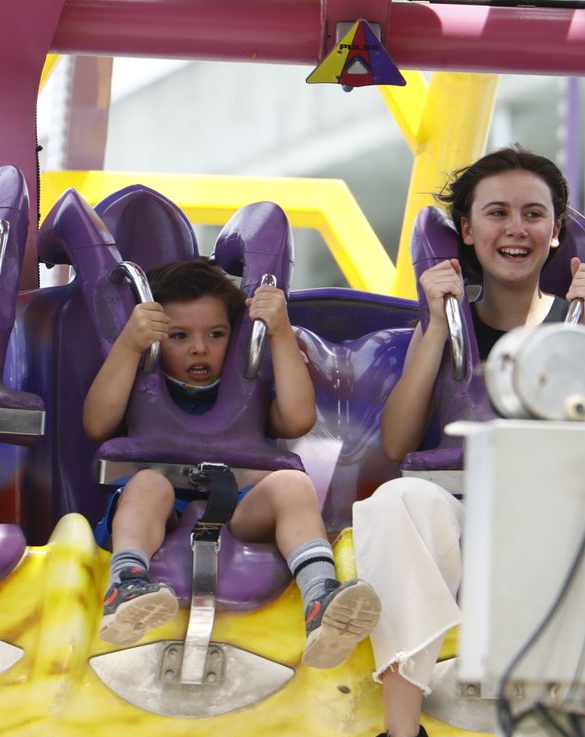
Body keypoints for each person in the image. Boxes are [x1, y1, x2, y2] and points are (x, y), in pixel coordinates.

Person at [353, 148, 585, 737]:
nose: (514, 228)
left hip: (551, 526)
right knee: (395, 503)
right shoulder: (444, 321)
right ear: (467, 231)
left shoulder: (581, 323)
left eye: (533, 214)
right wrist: (436, 325)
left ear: (556, 233)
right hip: (463, 519)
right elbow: (399, 441)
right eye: (497, 213)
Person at [82, 258, 381, 669]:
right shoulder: (141, 379)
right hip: (163, 509)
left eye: (217, 334)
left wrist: (278, 333)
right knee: (148, 485)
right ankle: (126, 585)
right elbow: (97, 424)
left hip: (240, 508)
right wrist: (129, 345)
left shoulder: (247, 389)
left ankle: (320, 598)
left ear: (237, 336)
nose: (199, 348)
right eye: (179, 335)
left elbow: (297, 418)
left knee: (293, 486)